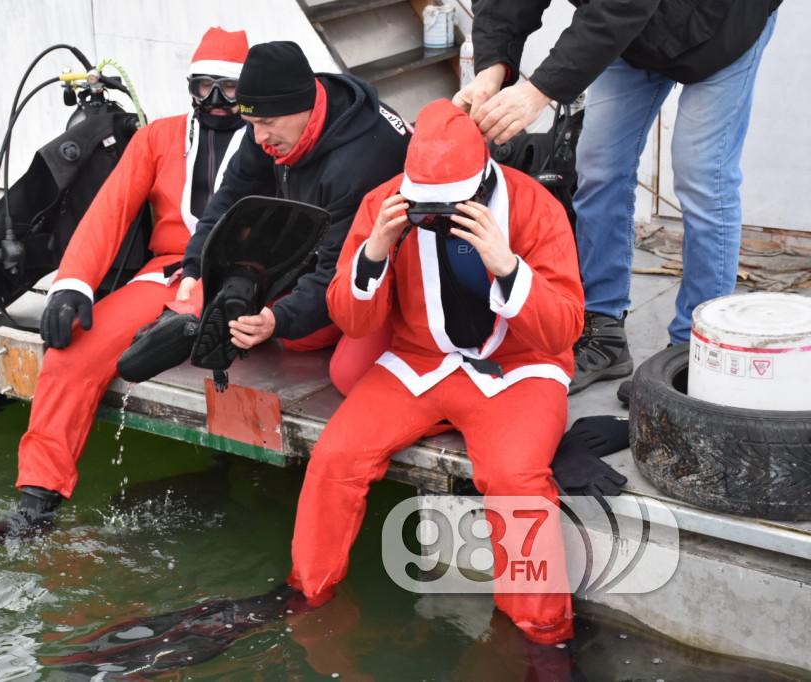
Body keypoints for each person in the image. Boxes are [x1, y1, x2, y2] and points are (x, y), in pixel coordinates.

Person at [288, 99, 584, 644]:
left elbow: (564, 330)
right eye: (426, 210)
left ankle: (543, 636)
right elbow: (350, 319)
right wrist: (374, 252)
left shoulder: (536, 206)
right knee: (335, 456)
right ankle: (308, 597)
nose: (437, 221)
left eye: (451, 209)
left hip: (520, 369)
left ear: (482, 184)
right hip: (419, 362)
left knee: (516, 480)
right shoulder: (386, 204)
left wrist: (507, 264)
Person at [455, 0, 780, 393]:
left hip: (725, 21)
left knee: (702, 177)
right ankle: (603, 329)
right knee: (600, 167)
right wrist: (493, 69)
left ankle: (696, 351)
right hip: (633, 34)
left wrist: (538, 91)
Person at [11, 27, 250, 525]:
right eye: (204, 86)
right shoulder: (160, 137)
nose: (217, 100)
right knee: (70, 351)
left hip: (236, 279)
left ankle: (178, 332)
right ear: (191, 87)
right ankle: (37, 499)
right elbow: (109, 212)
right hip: (162, 273)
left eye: (229, 88)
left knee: (186, 318)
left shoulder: (268, 138)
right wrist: (71, 284)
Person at [174, 40, 409, 368]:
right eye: (250, 124)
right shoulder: (269, 119)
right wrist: (195, 265)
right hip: (322, 238)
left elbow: (336, 268)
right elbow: (231, 196)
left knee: (310, 345)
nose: (257, 138)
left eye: (267, 125)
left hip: (384, 267)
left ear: (305, 108)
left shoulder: (358, 164)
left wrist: (278, 320)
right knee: (220, 301)